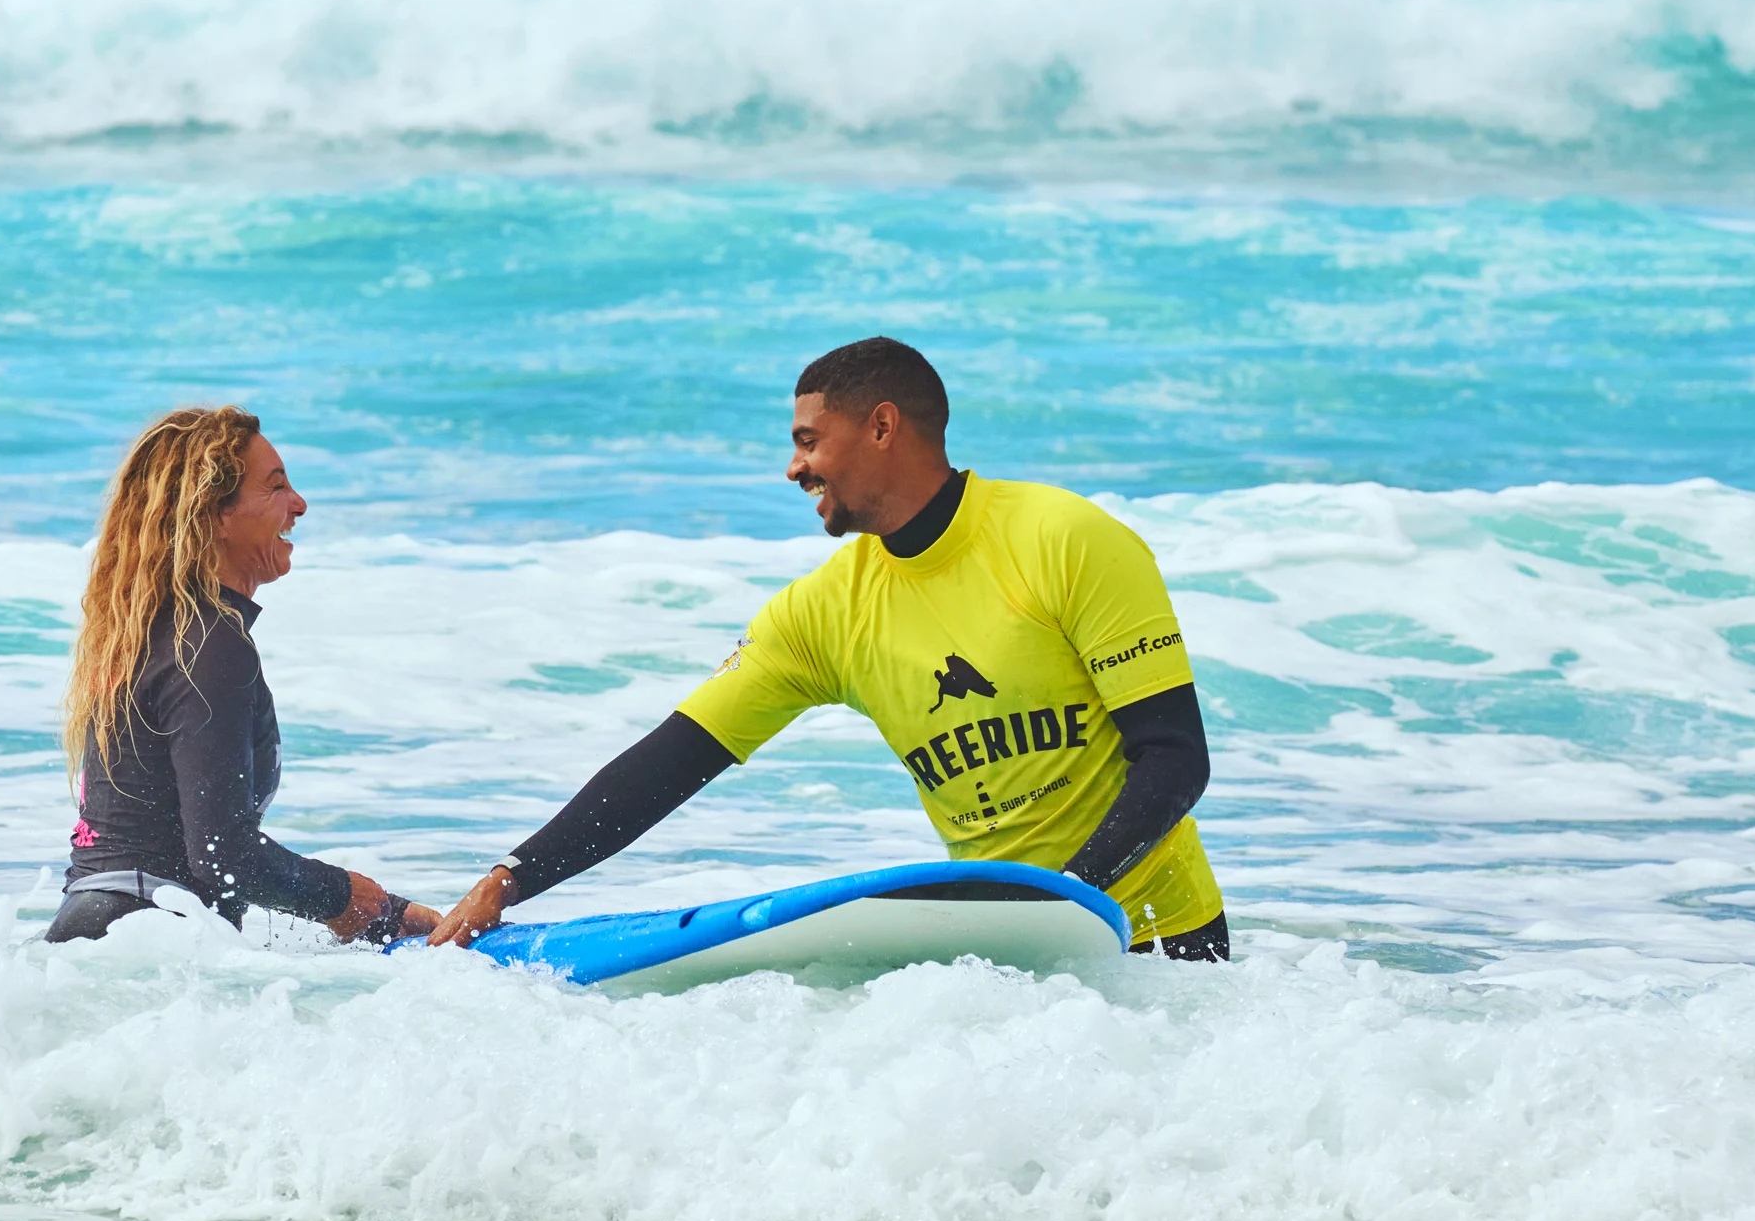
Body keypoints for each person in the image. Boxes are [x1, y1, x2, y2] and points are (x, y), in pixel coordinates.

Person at [429, 336, 1228, 958]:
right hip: (1011, 940)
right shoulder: (824, 613)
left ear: (881, 426)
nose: (793, 466)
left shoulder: (1064, 539)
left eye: (809, 440)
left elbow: (1172, 757)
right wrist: (512, 879)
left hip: (1161, 931)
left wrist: (1068, 900)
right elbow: (670, 763)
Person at [49, 404, 439, 946]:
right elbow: (221, 853)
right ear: (215, 513)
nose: (299, 505)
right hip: (142, 940)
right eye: (277, 487)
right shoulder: (209, 645)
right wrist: (359, 902)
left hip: (107, 935)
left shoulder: (147, 635)